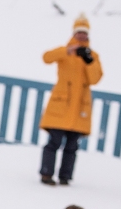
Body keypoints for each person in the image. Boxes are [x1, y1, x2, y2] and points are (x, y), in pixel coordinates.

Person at [38, 15, 102, 186]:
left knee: (72, 146)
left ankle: (65, 177)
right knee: (54, 141)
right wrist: (67, 51)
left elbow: (95, 79)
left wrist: (89, 61)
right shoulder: (65, 51)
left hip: (80, 107)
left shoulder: (93, 56)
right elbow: (46, 57)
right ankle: (46, 173)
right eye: (79, 32)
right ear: (74, 33)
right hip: (62, 106)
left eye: (84, 33)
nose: (82, 35)